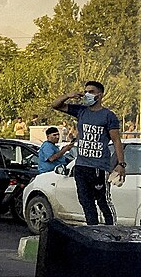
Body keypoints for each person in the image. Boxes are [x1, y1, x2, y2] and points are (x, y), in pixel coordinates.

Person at [52, 80, 125, 225]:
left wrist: (120, 164)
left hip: (99, 167)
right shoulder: (81, 111)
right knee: (85, 200)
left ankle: (112, 230)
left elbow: (117, 141)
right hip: (81, 166)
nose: (87, 94)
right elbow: (55, 105)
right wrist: (69, 95)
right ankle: (93, 228)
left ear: (100, 95)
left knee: (102, 200)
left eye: (91, 92)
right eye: (86, 91)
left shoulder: (108, 116)